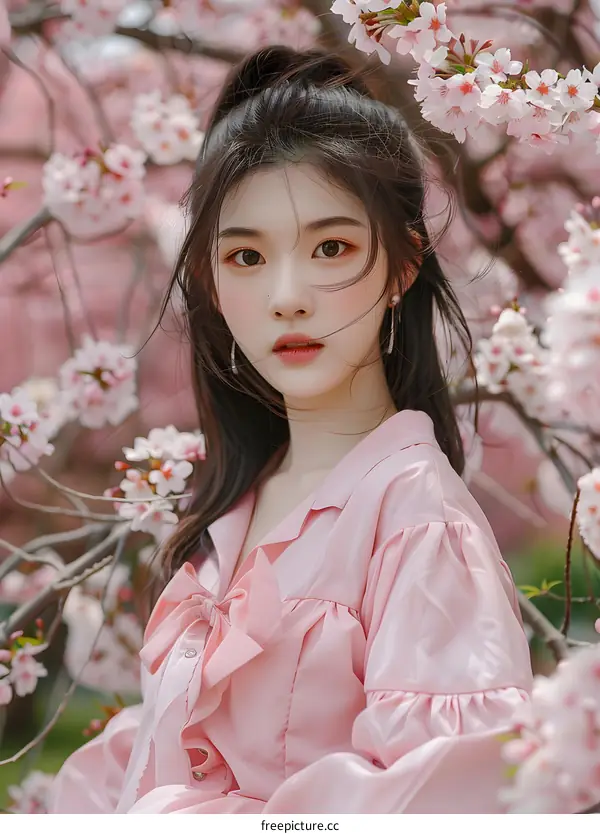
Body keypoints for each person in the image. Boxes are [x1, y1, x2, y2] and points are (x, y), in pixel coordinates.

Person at [48, 45, 533, 814]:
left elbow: (448, 800)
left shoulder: (416, 520)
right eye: (246, 256)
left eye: (331, 248)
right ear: (209, 280)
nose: (286, 296)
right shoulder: (235, 508)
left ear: (403, 265)